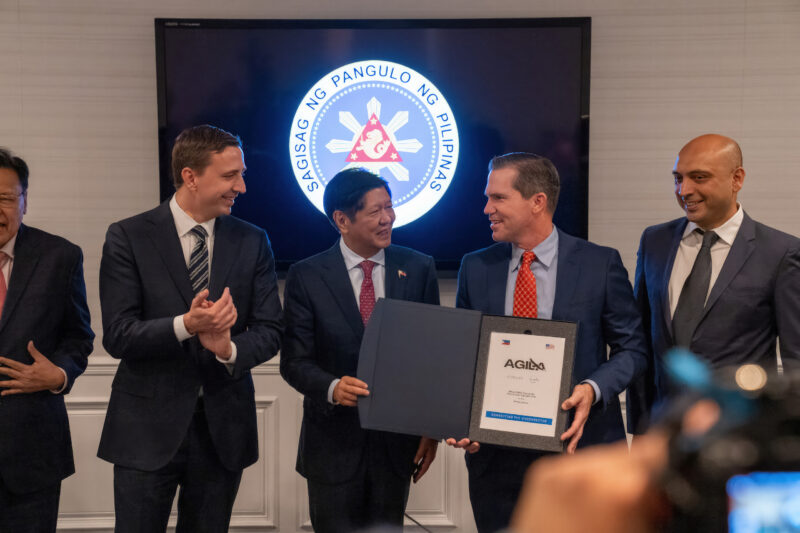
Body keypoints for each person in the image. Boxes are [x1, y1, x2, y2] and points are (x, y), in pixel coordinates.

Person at [448, 152, 648, 533]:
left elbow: (633, 350)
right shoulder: (475, 267)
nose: (487, 208)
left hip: (581, 451)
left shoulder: (600, 263)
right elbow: (465, 356)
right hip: (496, 459)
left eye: (498, 198)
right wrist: (461, 418)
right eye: (487, 198)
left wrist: (593, 388)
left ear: (537, 201)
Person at [97, 125, 282, 532]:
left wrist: (226, 348)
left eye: (242, 174)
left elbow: (270, 330)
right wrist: (186, 325)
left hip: (223, 433)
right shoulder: (128, 236)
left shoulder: (253, 241)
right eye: (230, 176)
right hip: (145, 432)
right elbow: (118, 334)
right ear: (191, 176)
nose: (242, 187)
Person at [280, 168, 440, 533]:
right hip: (332, 447)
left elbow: (431, 357)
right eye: (375, 211)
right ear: (342, 220)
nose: (388, 218)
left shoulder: (417, 268)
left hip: (396, 447)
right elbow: (294, 362)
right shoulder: (307, 275)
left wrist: (431, 430)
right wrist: (333, 387)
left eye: (390, 206)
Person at [626, 134, 800, 434]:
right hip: (663, 430)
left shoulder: (780, 252)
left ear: (737, 178)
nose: (684, 190)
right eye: (678, 178)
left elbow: (796, 358)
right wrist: (640, 427)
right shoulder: (654, 240)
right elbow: (641, 336)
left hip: (741, 433)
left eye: (699, 178)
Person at [0, 147, 94, 532]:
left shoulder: (59, 256)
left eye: (6, 199)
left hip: (31, 454)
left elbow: (79, 338)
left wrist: (58, 375)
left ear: (25, 201)